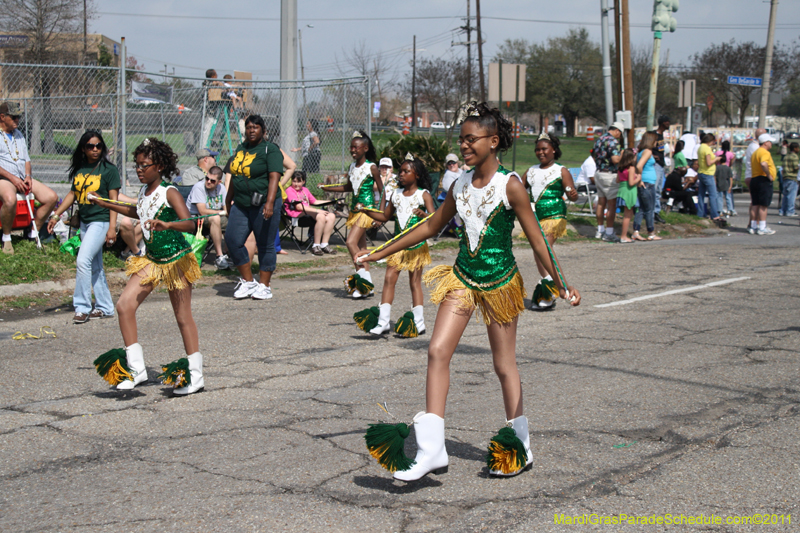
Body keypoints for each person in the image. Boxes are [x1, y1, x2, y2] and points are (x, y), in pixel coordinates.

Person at [358, 102, 581, 482]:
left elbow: (537, 240)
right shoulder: (458, 183)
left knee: (503, 365)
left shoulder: (510, 184)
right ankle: (432, 450)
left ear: (493, 142)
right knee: (437, 350)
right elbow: (430, 227)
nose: (463, 146)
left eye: (471, 139)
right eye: (461, 139)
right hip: (462, 277)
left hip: (499, 282)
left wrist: (561, 282)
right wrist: (381, 250)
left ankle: (519, 445)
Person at [89, 138, 204, 395]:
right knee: (124, 305)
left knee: (182, 317)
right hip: (152, 260)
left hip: (176, 260)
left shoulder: (169, 191)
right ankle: (137, 370)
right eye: (137, 165)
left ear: (159, 166)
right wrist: (104, 202)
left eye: (144, 165)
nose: (139, 169)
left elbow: (191, 224)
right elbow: (136, 212)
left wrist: (168, 225)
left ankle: (196, 377)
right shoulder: (144, 192)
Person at [353, 154, 434, 336]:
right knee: (389, 278)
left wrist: (425, 215)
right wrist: (366, 210)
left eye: (406, 171)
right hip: (397, 246)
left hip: (416, 247)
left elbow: (435, 218)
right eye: (400, 171)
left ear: (417, 175)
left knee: (414, 282)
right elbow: (384, 216)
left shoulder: (423, 195)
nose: (401, 174)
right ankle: (383, 322)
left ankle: (419, 322)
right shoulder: (396, 194)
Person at [46, 131, 119, 323]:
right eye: (90, 146)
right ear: (83, 148)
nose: (95, 149)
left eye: (98, 146)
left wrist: (112, 228)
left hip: (101, 220)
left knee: (82, 260)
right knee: (95, 266)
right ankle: (105, 307)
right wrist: (55, 215)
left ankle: (82, 307)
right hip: (86, 221)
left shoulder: (109, 170)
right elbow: (72, 194)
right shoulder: (80, 169)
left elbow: (114, 201)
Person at [224, 115, 284, 299]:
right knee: (232, 240)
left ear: (263, 131)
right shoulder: (241, 148)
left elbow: (274, 177)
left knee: (265, 244)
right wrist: (228, 199)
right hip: (241, 203)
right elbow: (236, 175)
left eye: (255, 127)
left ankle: (264, 285)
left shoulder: (270, 149)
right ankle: (249, 282)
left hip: (264, 204)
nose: (251, 130)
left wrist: (270, 203)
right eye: (249, 127)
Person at [324, 130, 383, 299]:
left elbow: (382, 190)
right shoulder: (352, 167)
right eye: (351, 147)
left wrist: (379, 212)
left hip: (367, 211)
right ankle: (368, 286)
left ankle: (363, 283)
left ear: (365, 148)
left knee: (350, 242)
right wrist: (327, 188)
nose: (352, 150)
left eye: (356, 147)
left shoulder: (371, 167)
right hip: (354, 211)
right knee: (362, 248)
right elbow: (348, 188)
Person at [523, 132, 578, 310]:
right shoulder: (531, 171)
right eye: (537, 149)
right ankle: (549, 286)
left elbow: (572, 193)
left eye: (544, 149)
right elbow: (517, 187)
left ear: (554, 150)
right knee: (539, 251)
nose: (540, 152)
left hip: (555, 216)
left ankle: (560, 287)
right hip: (536, 217)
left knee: (545, 245)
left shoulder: (561, 170)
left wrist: (572, 194)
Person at [0, 101, 58, 254]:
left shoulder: (18, 134)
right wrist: (13, 179)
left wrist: (27, 176)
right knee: (10, 199)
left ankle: (33, 232)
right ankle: (6, 238)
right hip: (4, 179)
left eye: (18, 117)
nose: (17, 120)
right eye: (14, 117)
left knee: (51, 197)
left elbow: (26, 160)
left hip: (21, 177)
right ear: (2, 117)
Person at [186, 165, 230, 268]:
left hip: (214, 216)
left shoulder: (222, 188)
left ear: (219, 182)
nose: (208, 182)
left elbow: (226, 208)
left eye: (212, 181)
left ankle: (228, 253)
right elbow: (202, 211)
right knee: (215, 218)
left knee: (235, 219)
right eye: (207, 178)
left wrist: (228, 212)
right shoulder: (199, 187)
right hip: (195, 218)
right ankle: (219, 256)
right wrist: (221, 212)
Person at [284, 170, 337, 255]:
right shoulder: (289, 190)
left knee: (331, 216)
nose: (296, 184)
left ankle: (324, 244)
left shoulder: (305, 190)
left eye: (299, 181)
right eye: (294, 181)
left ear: (303, 182)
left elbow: (315, 202)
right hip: (297, 216)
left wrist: (330, 202)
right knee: (321, 216)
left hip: (308, 213)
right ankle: (315, 245)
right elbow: (298, 207)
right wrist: (317, 210)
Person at [592, 121, 624, 242]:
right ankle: (609, 231)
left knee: (601, 202)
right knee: (611, 205)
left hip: (599, 172)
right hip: (609, 174)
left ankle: (600, 230)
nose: (619, 137)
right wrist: (624, 157)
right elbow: (615, 159)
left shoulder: (599, 140)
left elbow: (594, 156)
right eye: (620, 134)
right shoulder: (613, 141)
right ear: (617, 131)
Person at [633, 132, 662, 241]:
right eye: (655, 140)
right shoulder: (648, 151)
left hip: (646, 181)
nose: (656, 143)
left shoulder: (640, 152)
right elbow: (639, 165)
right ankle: (651, 232)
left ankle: (636, 231)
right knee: (650, 208)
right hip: (647, 182)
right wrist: (639, 178)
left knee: (641, 208)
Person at [749, 133, 777, 235]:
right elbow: (763, 163)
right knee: (763, 205)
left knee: (755, 204)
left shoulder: (755, 152)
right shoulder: (765, 153)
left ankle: (753, 226)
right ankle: (762, 227)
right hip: (763, 180)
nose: (771, 144)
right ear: (766, 143)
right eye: (770, 142)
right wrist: (768, 174)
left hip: (754, 179)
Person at [696, 133, 724, 225]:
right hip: (708, 173)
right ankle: (714, 214)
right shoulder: (707, 149)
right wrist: (717, 159)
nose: (713, 143)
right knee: (713, 195)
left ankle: (700, 213)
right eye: (713, 141)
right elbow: (709, 162)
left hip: (701, 172)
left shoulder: (700, 147)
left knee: (701, 194)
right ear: (710, 141)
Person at [615, 149, 641, 243]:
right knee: (627, 215)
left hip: (622, 190)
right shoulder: (631, 168)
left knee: (627, 214)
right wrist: (638, 178)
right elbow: (631, 183)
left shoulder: (620, 168)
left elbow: (617, 180)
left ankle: (623, 235)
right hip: (629, 191)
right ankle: (624, 236)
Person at [744, 128, 766, 233]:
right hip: (754, 176)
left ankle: (754, 223)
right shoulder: (756, 147)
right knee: (756, 202)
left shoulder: (753, 146)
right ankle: (753, 224)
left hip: (752, 175)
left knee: (755, 202)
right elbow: (761, 162)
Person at [650, 115, 670, 221]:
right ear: (662, 123)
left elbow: (660, 149)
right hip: (655, 165)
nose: (668, 124)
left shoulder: (661, 136)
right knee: (654, 188)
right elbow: (645, 147)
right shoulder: (654, 135)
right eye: (667, 122)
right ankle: (652, 211)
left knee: (658, 190)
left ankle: (656, 211)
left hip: (661, 165)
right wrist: (652, 156)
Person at [715, 141, 736, 217]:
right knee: (728, 196)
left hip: (719, 173)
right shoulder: (730, 154)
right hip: (727, 172)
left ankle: (719, 209)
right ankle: (730, 209)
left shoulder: (717, 153)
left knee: (719, 196)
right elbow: (731, 163)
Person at [780, 142, 799, 217]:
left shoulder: (786, 156)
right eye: (798, 148)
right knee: (792, 196)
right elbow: (795, 168)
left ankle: (783, 210)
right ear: (795, 148)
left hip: (785, 177)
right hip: (792, 177)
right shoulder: (795, 157)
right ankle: (790, 211)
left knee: (785, 195)